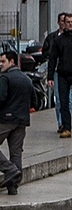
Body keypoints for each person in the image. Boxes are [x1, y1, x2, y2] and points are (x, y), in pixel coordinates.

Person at [0, 49, 34, 194]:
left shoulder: (5, 78)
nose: (0, 64)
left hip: (6, 119)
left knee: (15, 155)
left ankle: (10, 170)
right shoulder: (27, 79)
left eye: (3, 61)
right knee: (16, 153)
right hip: (22, 120)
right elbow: (35, 101)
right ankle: (13, 186)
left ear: (11, 61)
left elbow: (0, 99)